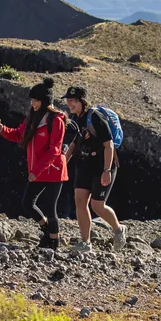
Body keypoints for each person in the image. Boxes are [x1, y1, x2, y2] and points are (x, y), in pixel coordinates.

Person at [0, 77, 70, 249]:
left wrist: (36, 170)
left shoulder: (56, 120)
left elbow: (55, 150)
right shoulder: (32, 118)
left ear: (45, 101)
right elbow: (17, 135)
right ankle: (47, 232)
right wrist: (2, 130)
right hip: (38, 170)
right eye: (32, 100)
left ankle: (54, 242)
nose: (33, 103)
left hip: (54, 170)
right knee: (28, 203)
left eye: (36, 100)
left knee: (50, 207)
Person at [62, 85, 126, 248]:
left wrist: (106, 171)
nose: (70, 104)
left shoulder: (95, 117)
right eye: (68, 100)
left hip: (103, 164)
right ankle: (85, 243)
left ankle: (118, 229)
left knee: (97, 205)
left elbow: (109, 145)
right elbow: (74, 145)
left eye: (73, 101)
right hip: (85, 164)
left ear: (82, 101)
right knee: (80, 202)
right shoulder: (75, 119)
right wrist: (62, 163)